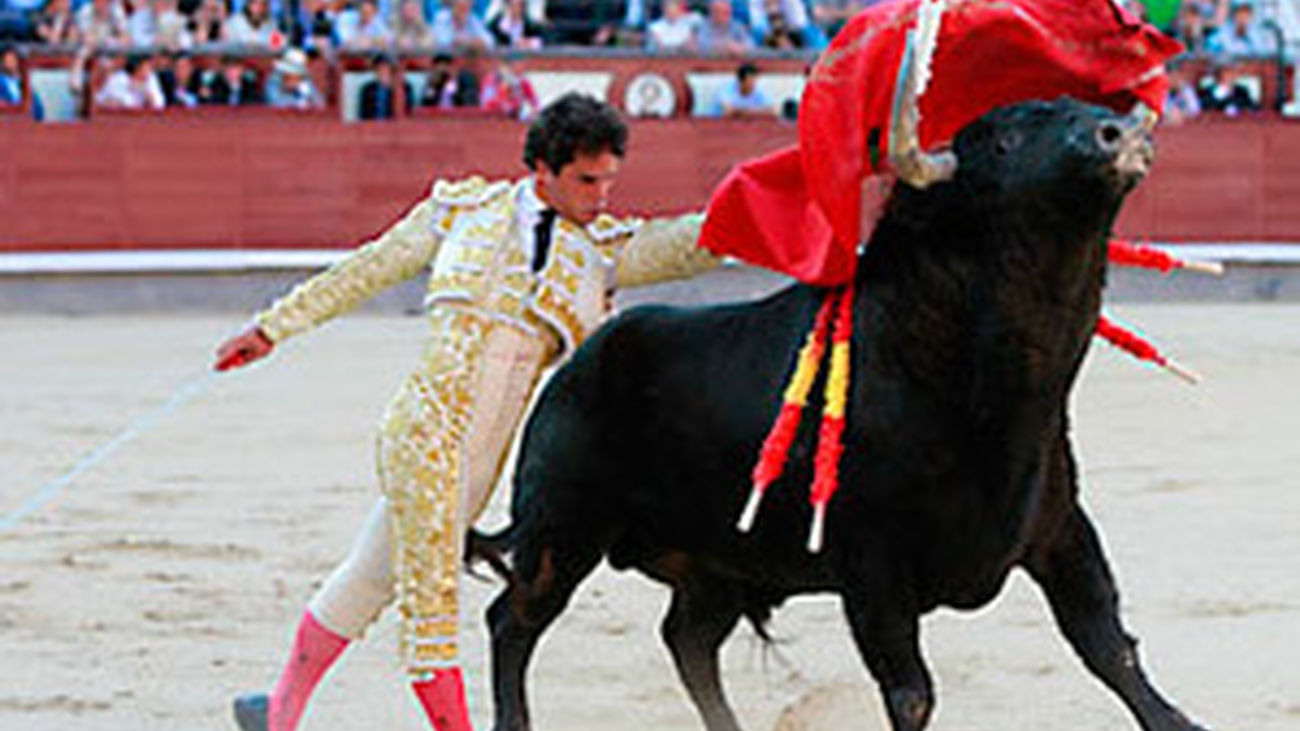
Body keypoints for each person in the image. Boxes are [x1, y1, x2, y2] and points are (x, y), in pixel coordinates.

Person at [217, 92, 719, 731]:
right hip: (422, 432)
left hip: (481, 464)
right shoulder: (463, 209)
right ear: (541, 168)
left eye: (609, 181)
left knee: (371, 578)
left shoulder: (605, 251)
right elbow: (367, 268)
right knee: (432, 615)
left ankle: (278, 711)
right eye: (586, 181)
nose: (601, 197)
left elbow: (692, 242)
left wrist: (775, 201)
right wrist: (272, 328)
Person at [709, 61, 774, 117]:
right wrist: (758, 111)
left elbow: (772, 110)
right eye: (750, 81)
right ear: (741, 81)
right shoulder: (726, 90)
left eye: (755, 80)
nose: (753, 84)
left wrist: (743, 112)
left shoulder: (758, 90)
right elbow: (728, 111)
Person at [358, 53, 410, 119]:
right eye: (378, 69)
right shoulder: (367, 89)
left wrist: (392, 87)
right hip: (371, 126)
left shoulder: (404, 87)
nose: (381, 71)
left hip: (393, 126)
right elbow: (362, 115)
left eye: (385, 68)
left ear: (391, 70)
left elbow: (408, 112)